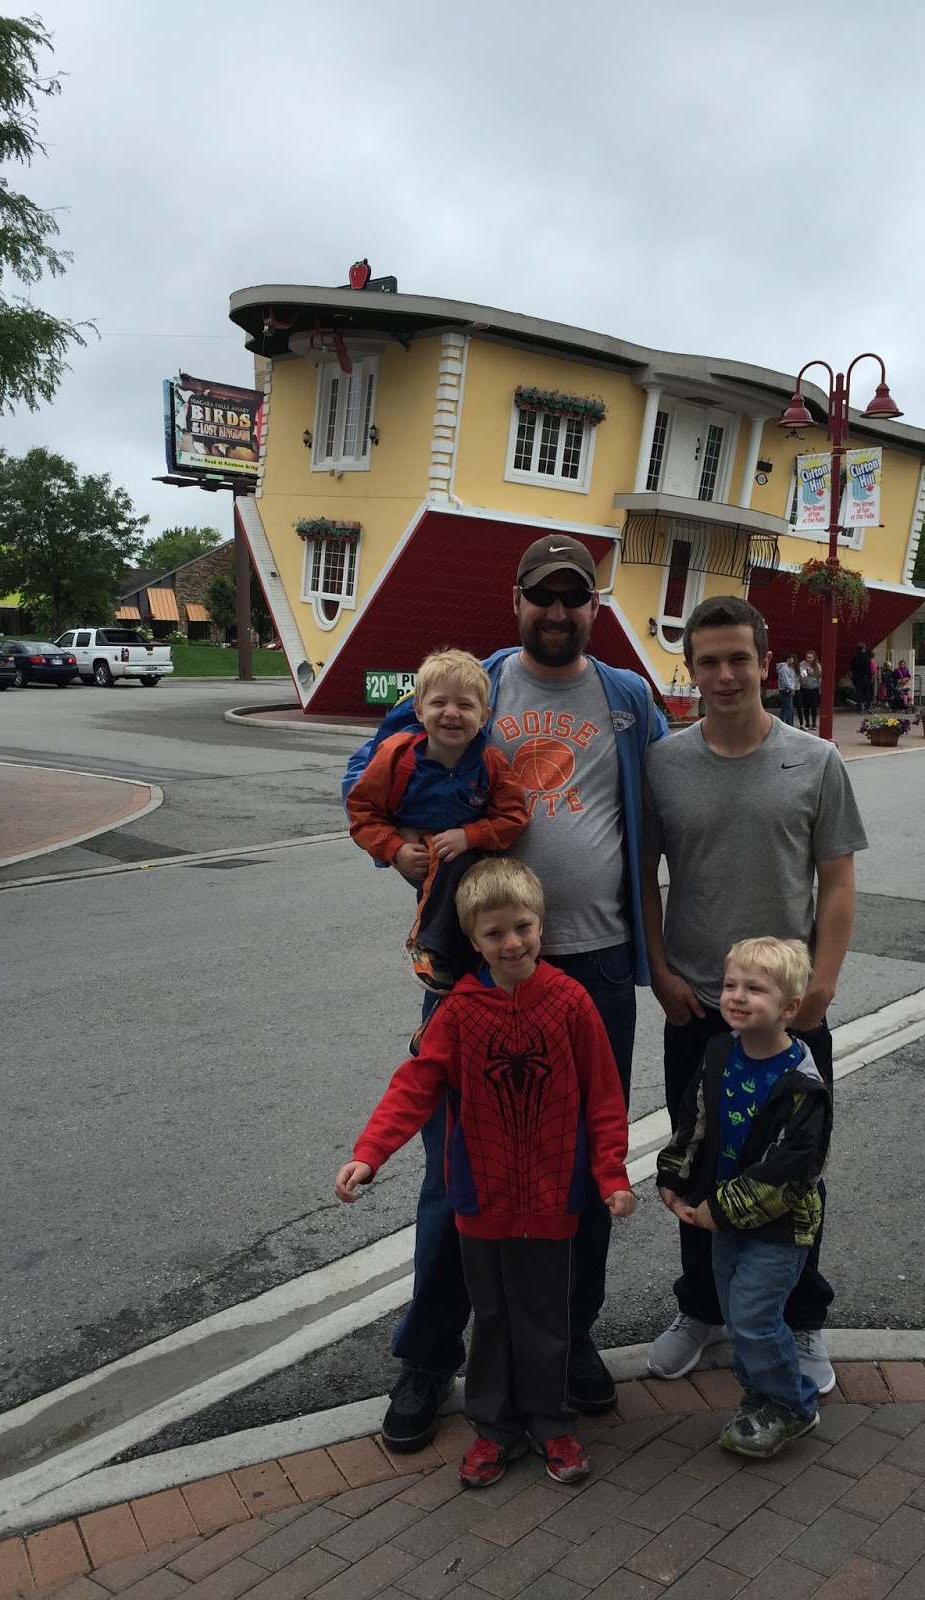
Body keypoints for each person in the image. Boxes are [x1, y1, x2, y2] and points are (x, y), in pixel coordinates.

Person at [343, 533, 667, 1450]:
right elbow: (367, 775)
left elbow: (676, 800)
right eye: (542, 596)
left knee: (585, 1162)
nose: (557, 612)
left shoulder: (628, 698)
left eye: (574, 597)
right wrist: (397, 850)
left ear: (595, 606)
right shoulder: (473, 683)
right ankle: (427, 1355)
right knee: (459, 1166)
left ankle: (568, 1337)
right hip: (476, 968)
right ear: (516, 600)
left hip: (595, 963)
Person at [336, 859, 636, 1488]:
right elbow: (415, 1086)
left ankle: (552, 1422)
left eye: (523, 926)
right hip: (481, 1197)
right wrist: (370, 1151)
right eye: (494, 933)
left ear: (542, 925)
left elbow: (604, 1097)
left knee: (547, 1316)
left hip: (554, 1197)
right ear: (473, 940)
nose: (512, 942)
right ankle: (494, 1427)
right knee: (492, 1316)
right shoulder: (459, 1011)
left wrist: (610, 1174)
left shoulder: (572, 1003)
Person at [640, 593, 867, 1396]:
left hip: (790, 1015)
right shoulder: (664, 763)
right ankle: (702, 1309)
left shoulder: (816, 760)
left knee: (791, 1173)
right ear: (691, 671)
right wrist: (660, 971)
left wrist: (822, 982)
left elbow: (837, 882)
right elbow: (645, 878)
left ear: (766, 663)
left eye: (739, 658)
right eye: (709, 661)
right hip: (697, 1005)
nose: (726, 674)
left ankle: (799, 1319)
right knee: (698, 1162)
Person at [656, 937, 831, 1459]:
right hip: (726, 1218)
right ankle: (761, 1395)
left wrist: (722, 1209)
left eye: (754, 989)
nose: (736, 996)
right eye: (731, 984)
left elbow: (789, 1171)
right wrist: (674, 1173)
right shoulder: (719, 1052)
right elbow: (694, 1119)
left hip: (779, 1227)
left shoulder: (801, 1084)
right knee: (737, 1315)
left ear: (789, 1008)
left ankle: (793, 1405)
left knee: (755, 1318)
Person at [345, 649, 529, 994]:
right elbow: (362, 811)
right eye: (439, 702)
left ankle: (456, 982)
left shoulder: (490, 763)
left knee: (480, 923)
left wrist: (469, 835)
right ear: (418, 710)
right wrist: (395, 849)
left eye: (465, 705)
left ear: (485, 715)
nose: (451, 713)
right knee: (450, 878)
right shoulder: (397, 756)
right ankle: (425, 944)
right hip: (421, 858)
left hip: (470, 856)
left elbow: (514, 816)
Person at [797, 651, 821, 731]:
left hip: (814, 687)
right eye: (807, 657)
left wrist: (820, 687)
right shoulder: (802, 664)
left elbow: (819, 677)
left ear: (814, 658)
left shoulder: (817, 665)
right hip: (804, 687)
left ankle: (814, 722)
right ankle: (807, 722)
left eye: (810, 657)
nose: (808, 659)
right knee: (806, 706)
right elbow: (801, 674)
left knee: (814, 706)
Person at [849, 644, 873, 714]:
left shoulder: (854, 657)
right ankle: (868, 707)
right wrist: (870, 677)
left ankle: (859, 707)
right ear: (864, 649)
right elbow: (868, 668)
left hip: (857, 677)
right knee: (867, 692)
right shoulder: (866, 657)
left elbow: (852, 668)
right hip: (865, 677)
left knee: (858, 693)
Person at [776, 653, 797, 726]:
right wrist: (791, 688)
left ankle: (782, 722)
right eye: (792, 658)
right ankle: (788, 723)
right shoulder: (784, 668)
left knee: (785, 707)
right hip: (786, 690)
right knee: (789, 708)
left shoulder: (785, 668)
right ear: (788, 659)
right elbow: (786, 680)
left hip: (784, 689)